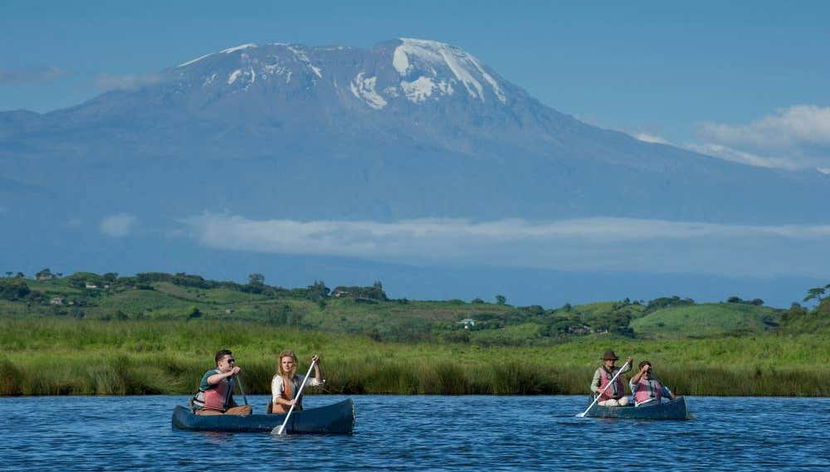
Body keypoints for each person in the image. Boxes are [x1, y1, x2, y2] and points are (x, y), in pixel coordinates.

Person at [192, 349, 252, 416]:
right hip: (204, 409)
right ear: (220, 363)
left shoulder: (229, 380)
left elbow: (230, 401)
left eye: (233, 361)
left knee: (247, 409)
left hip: (222, 412)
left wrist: (239, 410)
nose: (232, 363)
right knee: (219, 415)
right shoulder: (211, 373)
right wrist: (230, 373)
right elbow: (211, 380)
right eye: (229, 361)